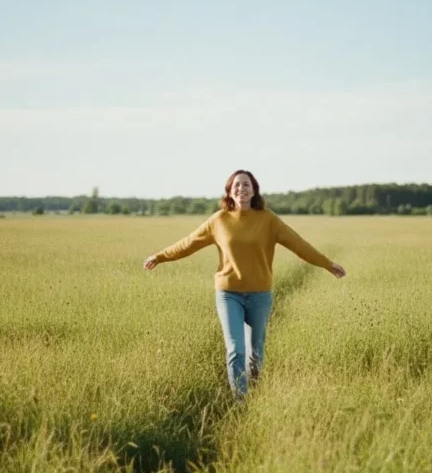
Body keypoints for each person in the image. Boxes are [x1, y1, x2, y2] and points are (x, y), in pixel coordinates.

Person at [143, 169, 346, 399]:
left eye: (246, 185)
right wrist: (159, 256)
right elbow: (188, 243)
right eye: (237, 185)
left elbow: (298, 244)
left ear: (254, 190)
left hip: (260, 294)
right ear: (229, 191)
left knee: (256, 352)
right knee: (236, 350)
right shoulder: (219, 220)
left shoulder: (268, 219)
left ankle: (256, 390)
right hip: (229, 294)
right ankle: (240, 400)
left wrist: (327, 264)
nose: (241, 189)